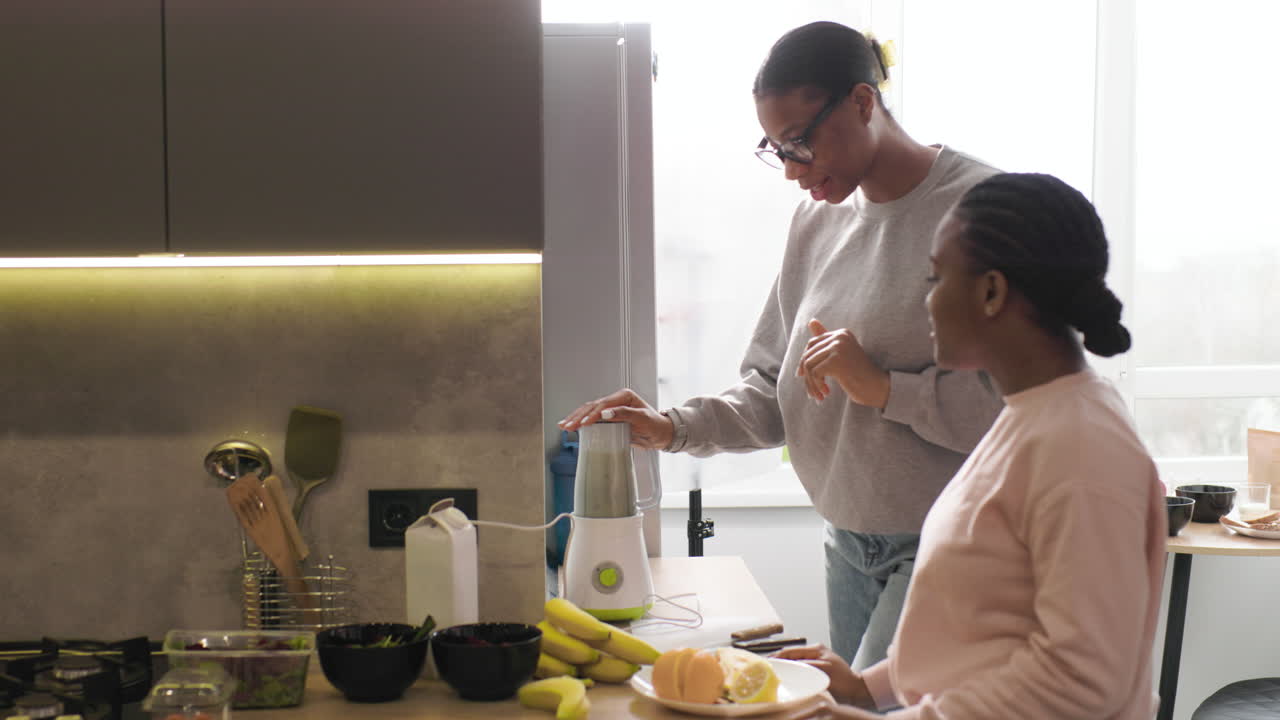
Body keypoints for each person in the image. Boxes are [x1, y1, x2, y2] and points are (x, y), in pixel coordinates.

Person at [558, 21, 1004, 668]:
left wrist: (881, 388)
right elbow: (773, 392)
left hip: (953, 537)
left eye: (801, 142)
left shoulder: (980, 208)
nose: (793, 171)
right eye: (776, 149)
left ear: (861, 101)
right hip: (847, 541)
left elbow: (1014, 406)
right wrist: (668, 427)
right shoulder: (817, 222)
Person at [777, 172, 1167, 719]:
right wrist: (867, 690)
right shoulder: (1028, 417)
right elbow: (983, 629)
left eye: (936, 280)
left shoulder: (1081, 447)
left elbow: (1081, 682)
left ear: (991, 292)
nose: (927, 303)